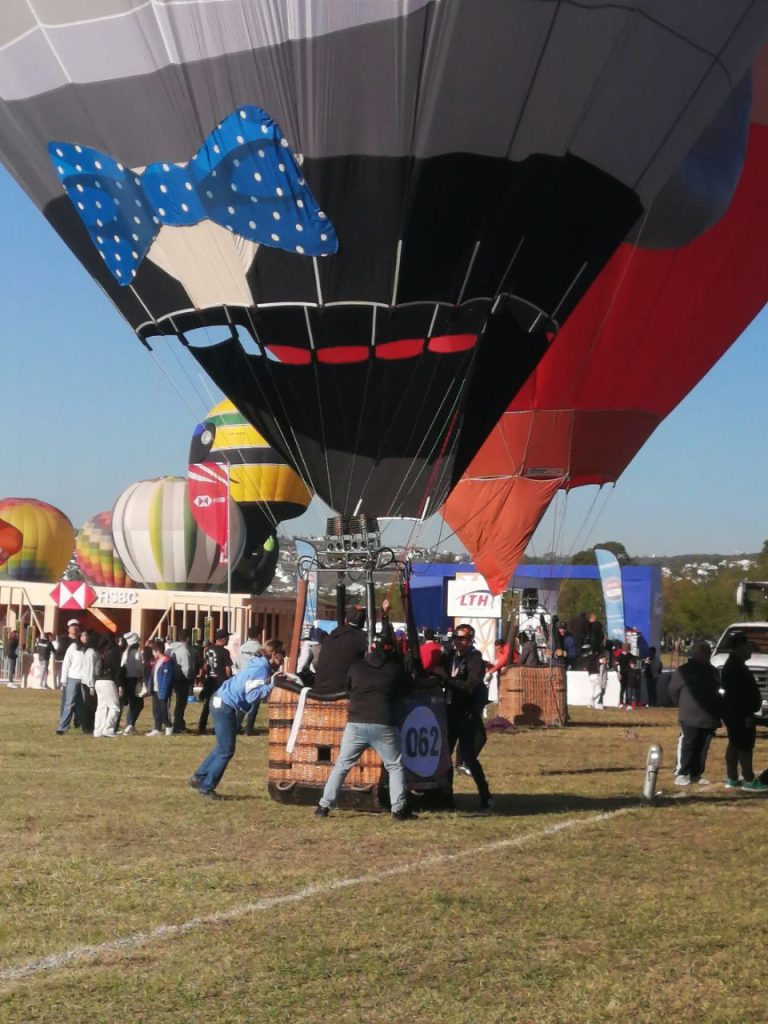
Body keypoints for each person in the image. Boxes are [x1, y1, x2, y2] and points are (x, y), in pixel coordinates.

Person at [316, 627, 413, 821]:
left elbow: (348, 689)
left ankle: (323, 806)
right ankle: (398, 810)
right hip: (383, 722)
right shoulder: (393, 669)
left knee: (342, 765)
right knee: (394, 766)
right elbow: (406, 689)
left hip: (356, 722)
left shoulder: (356, 667)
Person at [191, 639, 284, 798]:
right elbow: (251, 696)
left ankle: (199, 777)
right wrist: (272, 685)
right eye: (283, 655)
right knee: (226, 750)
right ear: (275, 655)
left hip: (220, 701)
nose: (284, 658)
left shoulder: (259, 664)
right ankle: (206, 788)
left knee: (222, 747)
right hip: (225, 705)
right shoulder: (262, 668)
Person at [441, 623, 492, 812]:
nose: (459, 642)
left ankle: (485, 796)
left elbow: (470, 686)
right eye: (457, 638)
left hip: (466, 713)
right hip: (450, 710)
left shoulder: (475, 659)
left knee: (468, 757)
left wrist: (447, 679)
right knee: (445, 756)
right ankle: (446, 797)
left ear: (470, 640)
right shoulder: (450, 656)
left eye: (463, 639)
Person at [668, 640, 721, 786]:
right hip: (689, 716)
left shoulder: (713, 671)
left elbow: (719, 691)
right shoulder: (684, 671)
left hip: (709, 718)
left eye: (708, 652)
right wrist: (682, 706)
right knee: (688, 744)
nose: (707, 655)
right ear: (696, 653)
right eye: (704, 652)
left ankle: (696, 774)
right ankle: (681, 773)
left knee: (703, 748)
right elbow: (673, 690)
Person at [720, 631, 767, 790]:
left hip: (737, 712)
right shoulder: (734, 668)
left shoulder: (737, 665)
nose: (750, 649)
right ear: (740, 647)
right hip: (740, 714)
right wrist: (746, 714)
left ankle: (732, 777)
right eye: (747, 646)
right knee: (744, 746)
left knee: (734, 743)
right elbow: (739, 695)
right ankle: (748, 779)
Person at [312, 607, 367, 694]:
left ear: (346, 620)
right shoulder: (361, 638)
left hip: (319, 690)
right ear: (363, 623)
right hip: (341, 693)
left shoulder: (331, 636)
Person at [198, 628, 233, 734]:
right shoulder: (224, 652)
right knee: (221, 705)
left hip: (210, 680)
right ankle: (220, 726)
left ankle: (202, 726)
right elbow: (228, 669)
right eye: (227, 638)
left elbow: (205, 666)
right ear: (223, 639)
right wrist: (229, 680)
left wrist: (203, 676)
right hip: (220, 682)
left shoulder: (208, 649)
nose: (228, 640)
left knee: (207, 704)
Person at [56, 629, 89, 734]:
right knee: (69, 704)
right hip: (73, 678)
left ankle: (84, 727)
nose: (85, 638)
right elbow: (66, 663)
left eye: (86, 636)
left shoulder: (90, 649)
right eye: (83, 636)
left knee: (84, 704)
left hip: (85, 680)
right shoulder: (73, 647)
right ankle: (62, 728)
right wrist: (63, 679)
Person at [166, 629, 196, 734]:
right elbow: (186, 667)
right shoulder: (184, 651)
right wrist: (190, 677)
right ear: (187, 638)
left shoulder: (171, 649)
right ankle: (178, 725)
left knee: (177, 703)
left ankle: (179, 723)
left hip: (173, 678)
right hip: (182, 679)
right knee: (181, 703)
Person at [237, 626, 264, 735]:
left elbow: (237, 663)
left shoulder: (242, 648)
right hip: (255, 679)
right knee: (253, 704)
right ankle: (249, 729)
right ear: (259, 635)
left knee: (242, 703)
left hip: (243, 677)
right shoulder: (260, 649)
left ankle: (236, 726)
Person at [93, 635, 121, 738]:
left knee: (101, 707)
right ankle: (109, 729)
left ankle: (98, 730)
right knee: (115, 707)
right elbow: (117, 669)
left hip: (98, 681)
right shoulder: (114, 651)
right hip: (108, 680)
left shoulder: (102, 652)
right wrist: (119, 684)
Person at [119, 632, 145, 735]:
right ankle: (130, 724)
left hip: (126, 680)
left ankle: (130, 725)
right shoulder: (137, 653)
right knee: (138, 704)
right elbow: (140, 668)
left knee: (132, 704)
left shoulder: (125, 653)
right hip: (134, 680)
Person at [146, 640, 174, 736]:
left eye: (153, 652)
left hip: (162, 690)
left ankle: (168, 725)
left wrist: (164, 691)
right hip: (155, 689)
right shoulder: (156, 662)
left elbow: (167, 678)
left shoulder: (167, 662)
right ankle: (157, 728)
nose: (153, 654)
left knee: (163, 710)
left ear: (158, 651)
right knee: (156, 710)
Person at [616, 643, 635, 708]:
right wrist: (619, 673)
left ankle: (625, 702)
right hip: (623, 675)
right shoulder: (621, 656)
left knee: (625, 689)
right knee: (624, 689)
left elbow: (617, 665)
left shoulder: (621, 656)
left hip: (627, 675)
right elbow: (617, 665)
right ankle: (622, 702)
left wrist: (618, 673)